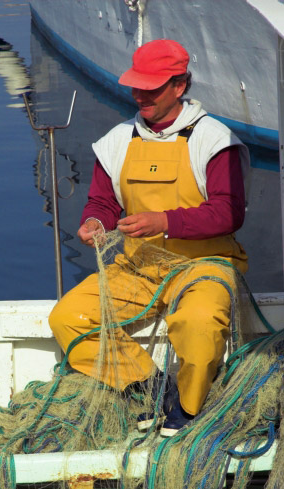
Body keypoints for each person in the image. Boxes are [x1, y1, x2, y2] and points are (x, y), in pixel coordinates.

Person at [49, 39, 250, 436]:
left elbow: (229, 213)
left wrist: (164, 221)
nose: (140, 95)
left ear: (179, 86)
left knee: (197, 322)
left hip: (204, 264)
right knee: (68, 318)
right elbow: (102, 203)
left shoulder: (214, 139)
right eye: (136, 86)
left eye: (152, 87)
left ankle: (189, 409)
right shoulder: (117, 140)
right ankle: (153, 388)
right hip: (137, 266)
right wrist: (95, 223)